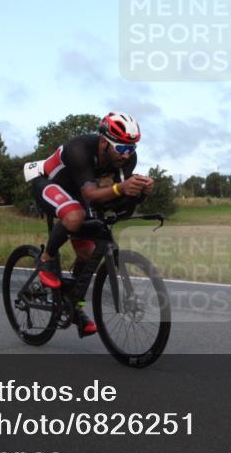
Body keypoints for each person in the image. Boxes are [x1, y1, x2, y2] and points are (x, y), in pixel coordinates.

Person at [26, 112, 154, 337]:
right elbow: (92, 194)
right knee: (74, 216)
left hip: (78, 192)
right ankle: (45, 261)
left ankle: (72, 305)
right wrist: (121, 188)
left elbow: (120, 205)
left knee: (89, 254)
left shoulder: (126, 159)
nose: (127, 155)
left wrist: (139, 193)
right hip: (47, 182)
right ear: (104, 142)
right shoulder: (79, 149)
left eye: (131, 149)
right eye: (122, 149)